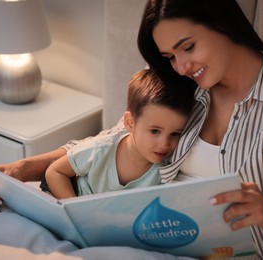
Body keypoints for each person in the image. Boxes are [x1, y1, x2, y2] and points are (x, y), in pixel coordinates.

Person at [0, 0, 263, 259]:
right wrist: (19, 171)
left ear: (222, 22)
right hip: (147, 240)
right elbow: (113, 141)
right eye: (171, 55)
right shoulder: (178, 81)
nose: (183, 65)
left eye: (188, 47)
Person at [44, 68, 194, 199]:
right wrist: (73, 206)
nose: (164, 144)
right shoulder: (100, 149)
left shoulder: (166, 168)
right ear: (129, 123)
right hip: (79, 199)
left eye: (175, 134)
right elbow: (55, 171)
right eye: (155, 131)